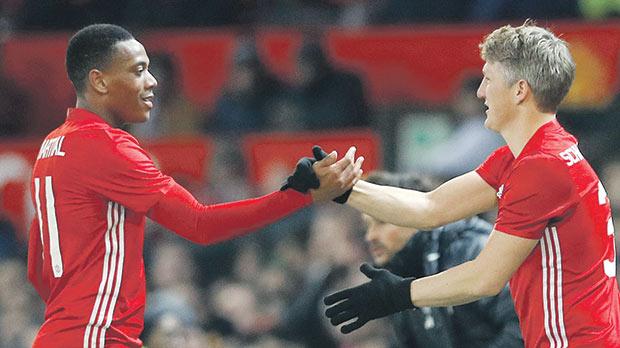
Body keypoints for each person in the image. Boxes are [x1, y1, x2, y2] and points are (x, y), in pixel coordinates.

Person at [27, 24, 363, 347]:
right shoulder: (109, 146)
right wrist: (298, 195)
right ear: (99, 82)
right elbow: (200, 224)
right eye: (138, 70)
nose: (153, 81)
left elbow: (38, 270)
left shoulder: (51, 146)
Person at [322, 20, 620, 347]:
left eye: (488, 80)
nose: (480, 92)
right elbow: (429, 207)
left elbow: (484, 278)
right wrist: (343, 187)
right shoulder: (525, 158)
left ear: (520, 90)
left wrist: (399, 294)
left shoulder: (541, 168)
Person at [362, 171, 522, 348]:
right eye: (367, 226)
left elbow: (522, 326)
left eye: (381, 222)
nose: (370, 236)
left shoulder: (470, 250)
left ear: (415, 217)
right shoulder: (401, 272)